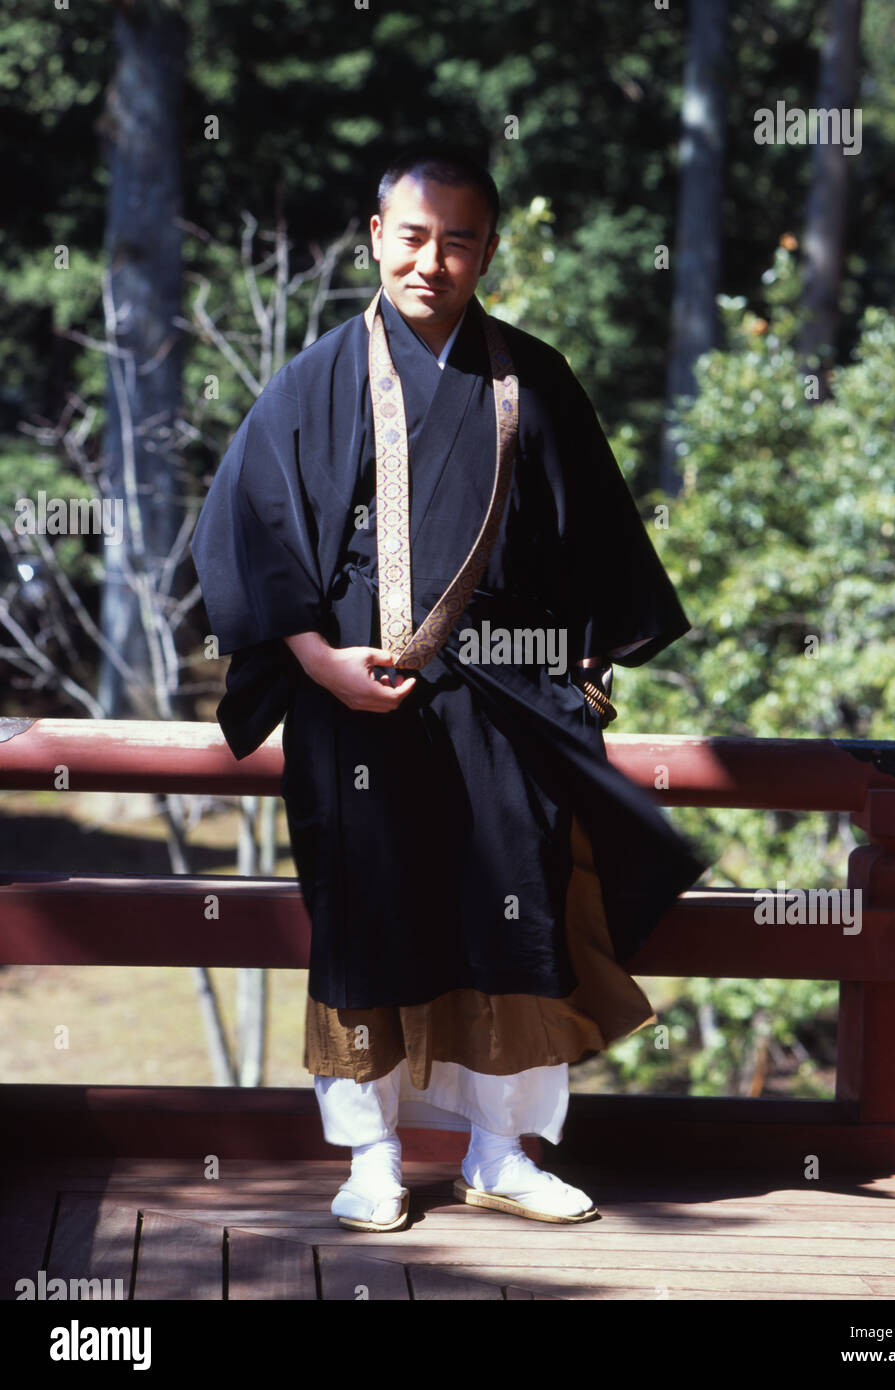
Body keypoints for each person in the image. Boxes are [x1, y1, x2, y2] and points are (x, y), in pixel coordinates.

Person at [190, 146, 707, 1234]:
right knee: (364, 920)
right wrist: (320, 663)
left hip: (507, 709)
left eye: (458, 239)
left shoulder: (535, 378)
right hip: (354, 701)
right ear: (375, 237)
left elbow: (595, 548)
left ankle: (499, 1149)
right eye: (413, 236)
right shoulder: (312, 383)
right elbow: (246, 533)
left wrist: (582, 667)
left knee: (516, 922)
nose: (433, 260)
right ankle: (371, 1154)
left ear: (487, 250)